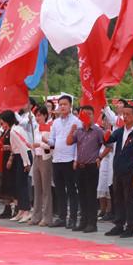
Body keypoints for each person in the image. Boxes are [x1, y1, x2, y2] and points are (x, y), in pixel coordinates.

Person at [106, 104, 133, 238]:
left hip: (130, 170)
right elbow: (108, 140)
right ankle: (119, 225)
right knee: (118, 198)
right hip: (118, 170)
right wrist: (106, 133)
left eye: (128, 114)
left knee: (129, 199)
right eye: (123, 114)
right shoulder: (120, 131)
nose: (125, 117)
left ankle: (130, 227)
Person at [48, 95, 80, 229]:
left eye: (65, 104)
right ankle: (62, 217)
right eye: (60, 104)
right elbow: (52, 141)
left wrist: (76, 159)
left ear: (70, 105)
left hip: (69, 159)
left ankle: (72, 218)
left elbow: (79, 143)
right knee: (59, 189)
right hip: (57, 159)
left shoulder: (76, 122)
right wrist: (44, 139)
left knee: (71, 190)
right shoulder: (55, 122)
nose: (62, 107)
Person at [0, 110, 32, 221]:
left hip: (24, 155)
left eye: (3, 122)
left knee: (22, 185)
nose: (2, 125)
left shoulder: (14, 130)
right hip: (20, 155)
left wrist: (26, 162)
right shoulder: (14, 129)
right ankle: (21, 210)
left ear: (7, 121)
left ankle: (27, 210)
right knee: (18, 184)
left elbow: (23, 146)